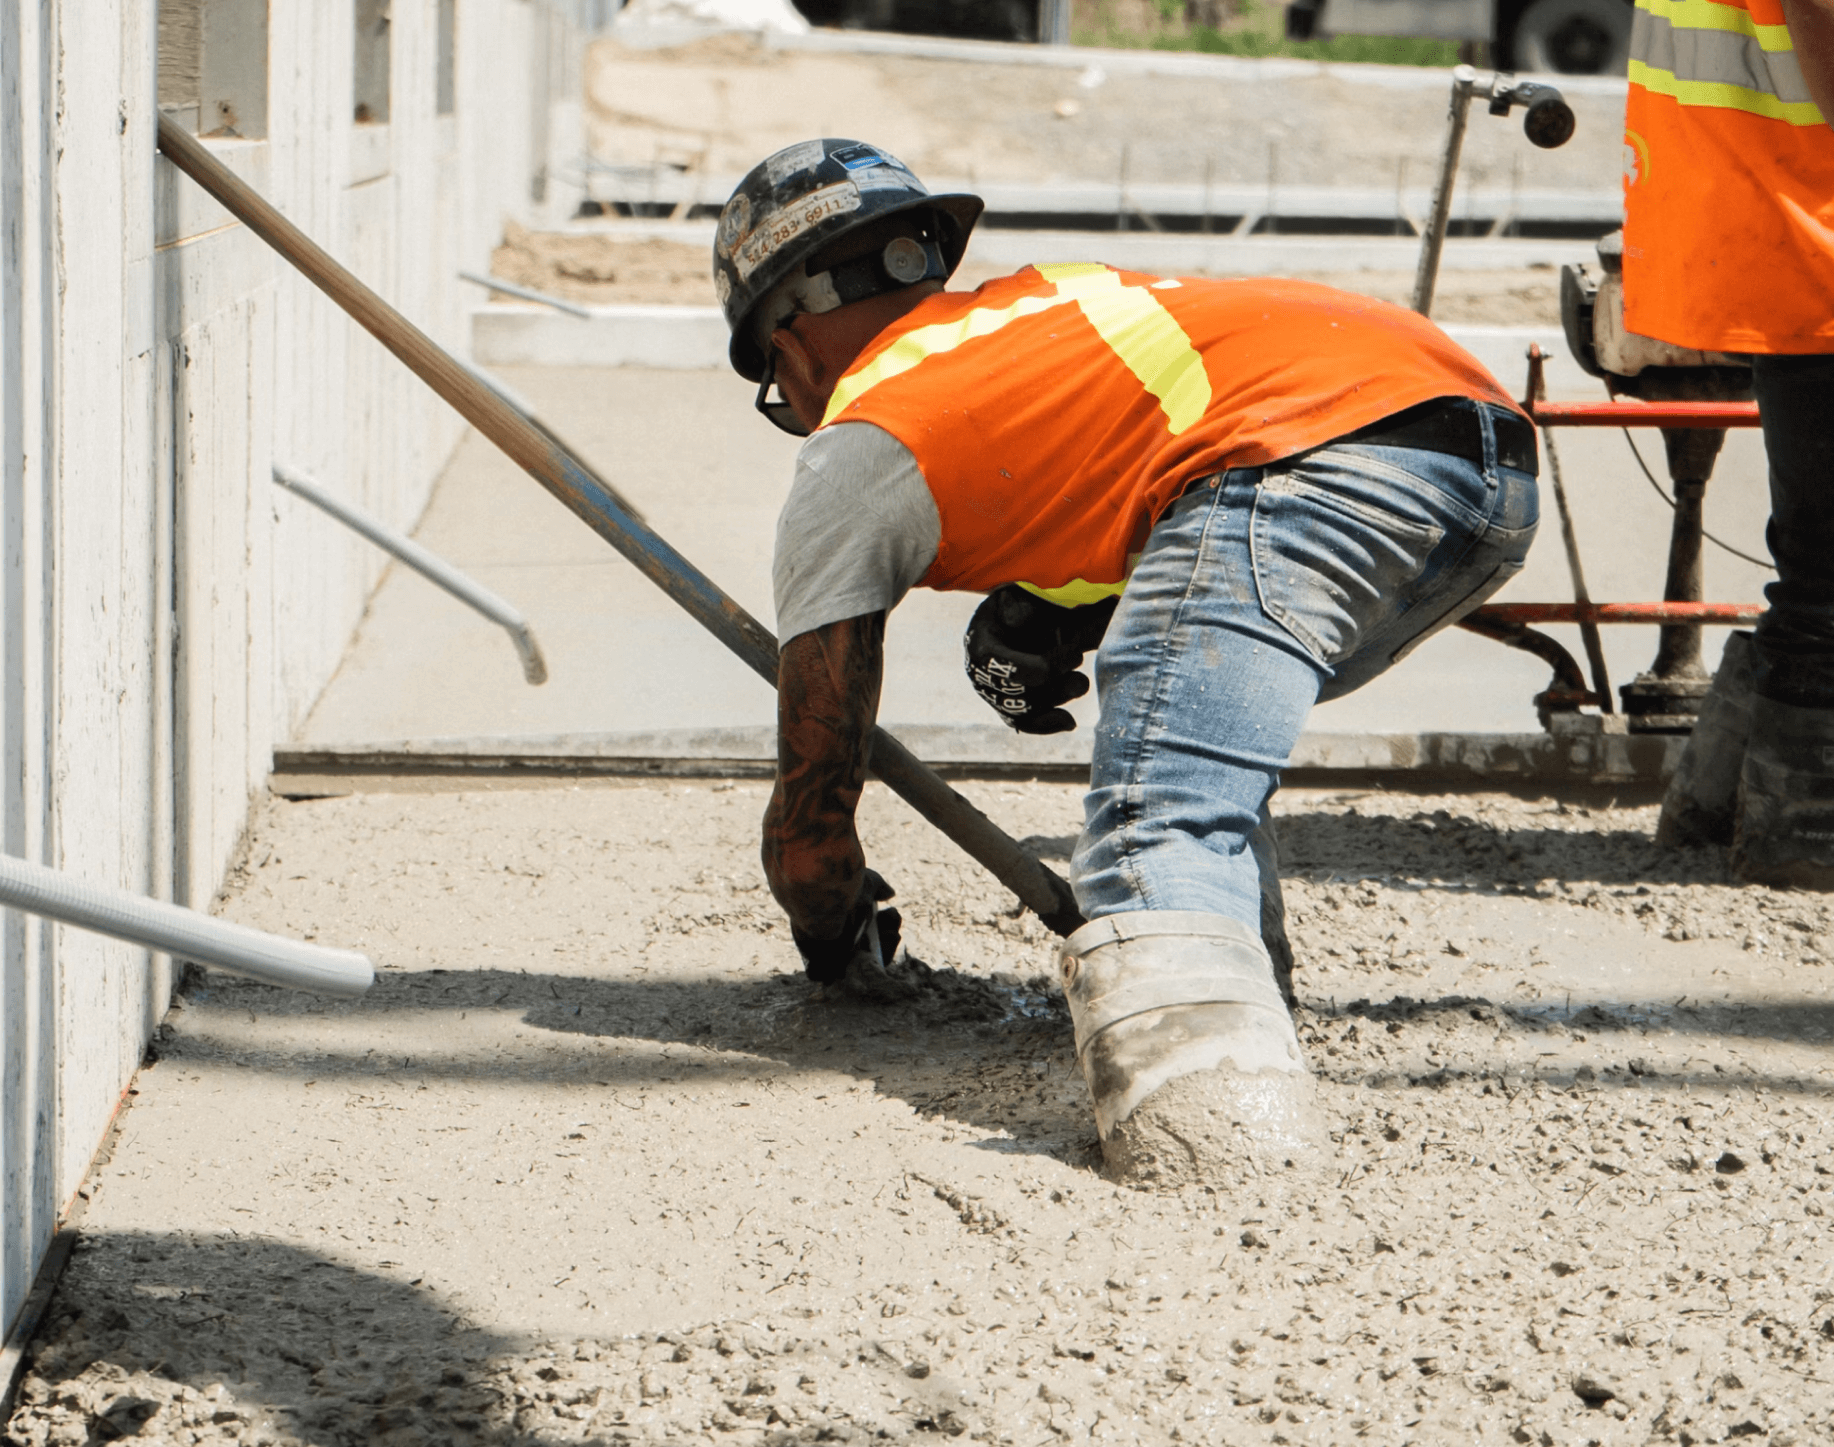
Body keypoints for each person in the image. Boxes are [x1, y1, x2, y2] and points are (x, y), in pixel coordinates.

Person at [716, 139, 1539, 1188]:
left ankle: (1214, 1151)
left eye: (776, 379)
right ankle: (1243, 1018)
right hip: (1476, 465)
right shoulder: (1050, 303)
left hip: (1303, 465)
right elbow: (1144, 450)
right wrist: (1047, 602)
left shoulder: (860, 436)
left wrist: (829, 923)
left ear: (788, 335)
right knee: (1202, 775)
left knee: (1155, 825)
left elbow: (814, 783)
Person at [1622, 0, 1834, 886]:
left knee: (1820, 573)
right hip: (1807, 228)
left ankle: (1715, 814)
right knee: (1829, 585)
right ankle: (1802, 843)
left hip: (1770, 211)